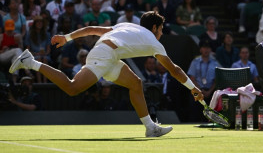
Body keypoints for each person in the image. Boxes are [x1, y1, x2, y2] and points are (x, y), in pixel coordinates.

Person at [9, 11, 203, 137]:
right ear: (154, 28)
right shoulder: (154, 41)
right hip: (104, 54)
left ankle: (150, 127)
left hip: (108, 55)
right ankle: (31, 62)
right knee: (72, 88)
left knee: (135, 83)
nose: (161, 33)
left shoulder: (126, 26)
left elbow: (92, 29)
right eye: (160, 30)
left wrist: (66, 37)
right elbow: (174, 70)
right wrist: (193, 88)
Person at [187, 40, 218, 121]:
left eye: (208, 48)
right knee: (194, 109)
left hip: (210, 92)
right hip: (197, 91)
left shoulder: (215, 63)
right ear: (200, 49)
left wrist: (209, 91)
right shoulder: (195, 62)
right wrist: (200, 91)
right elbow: (192, 79)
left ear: (210, 50)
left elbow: (216, 80)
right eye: (204, 48)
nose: (206, 50)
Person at [25, 16, 51, 83]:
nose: (40, 24)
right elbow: (28, 50)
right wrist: (35, 53)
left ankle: (45, 82)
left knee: (44, 59)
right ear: (35, 24)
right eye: (38, 22)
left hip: (44, 55)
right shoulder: (29, 34)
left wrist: (45, 53)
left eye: (41, 22)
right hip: (34, 55)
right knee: (38, 59)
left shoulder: (47, 34)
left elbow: (48, 49)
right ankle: (39, 82)